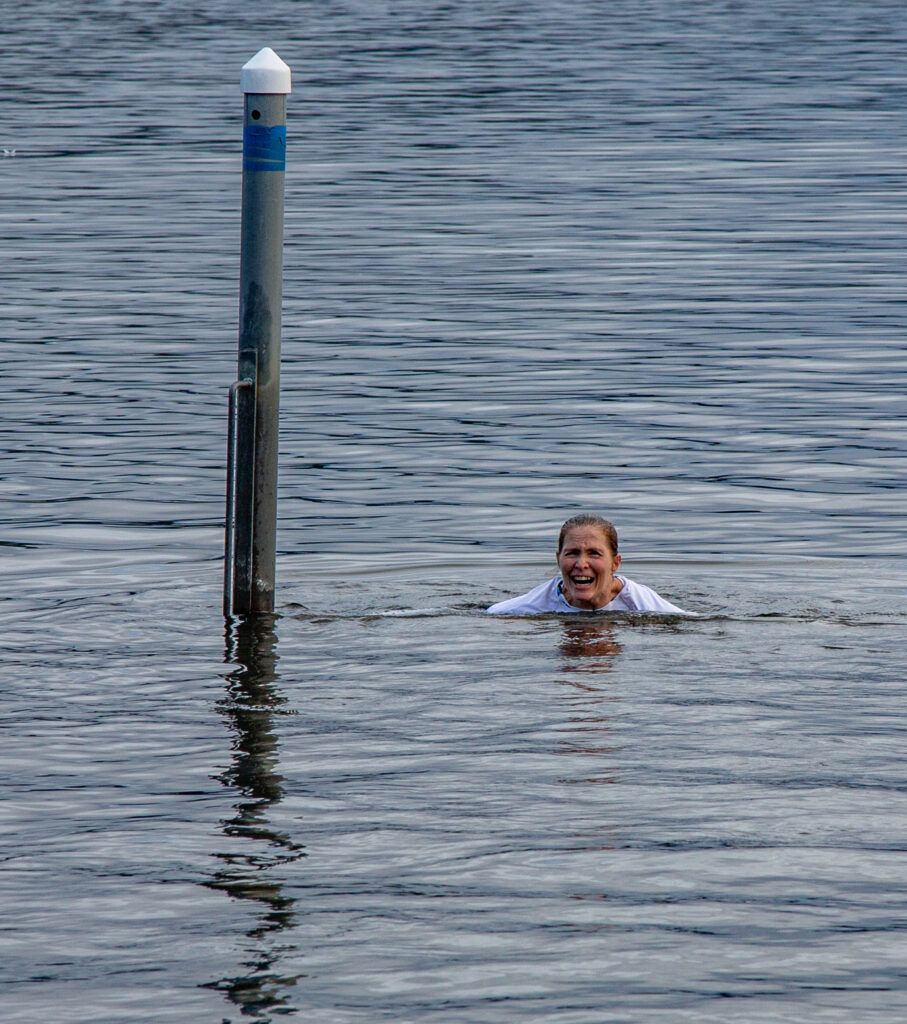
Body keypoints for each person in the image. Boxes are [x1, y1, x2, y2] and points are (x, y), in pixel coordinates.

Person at [486, 513, 693, 615]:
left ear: (615, 563)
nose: (581, 563)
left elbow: (691, 623)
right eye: (572, 553)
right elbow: (492, 614)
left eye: (594, 553)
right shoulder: (531, 606)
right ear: (558, 559)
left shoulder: (641, 603)